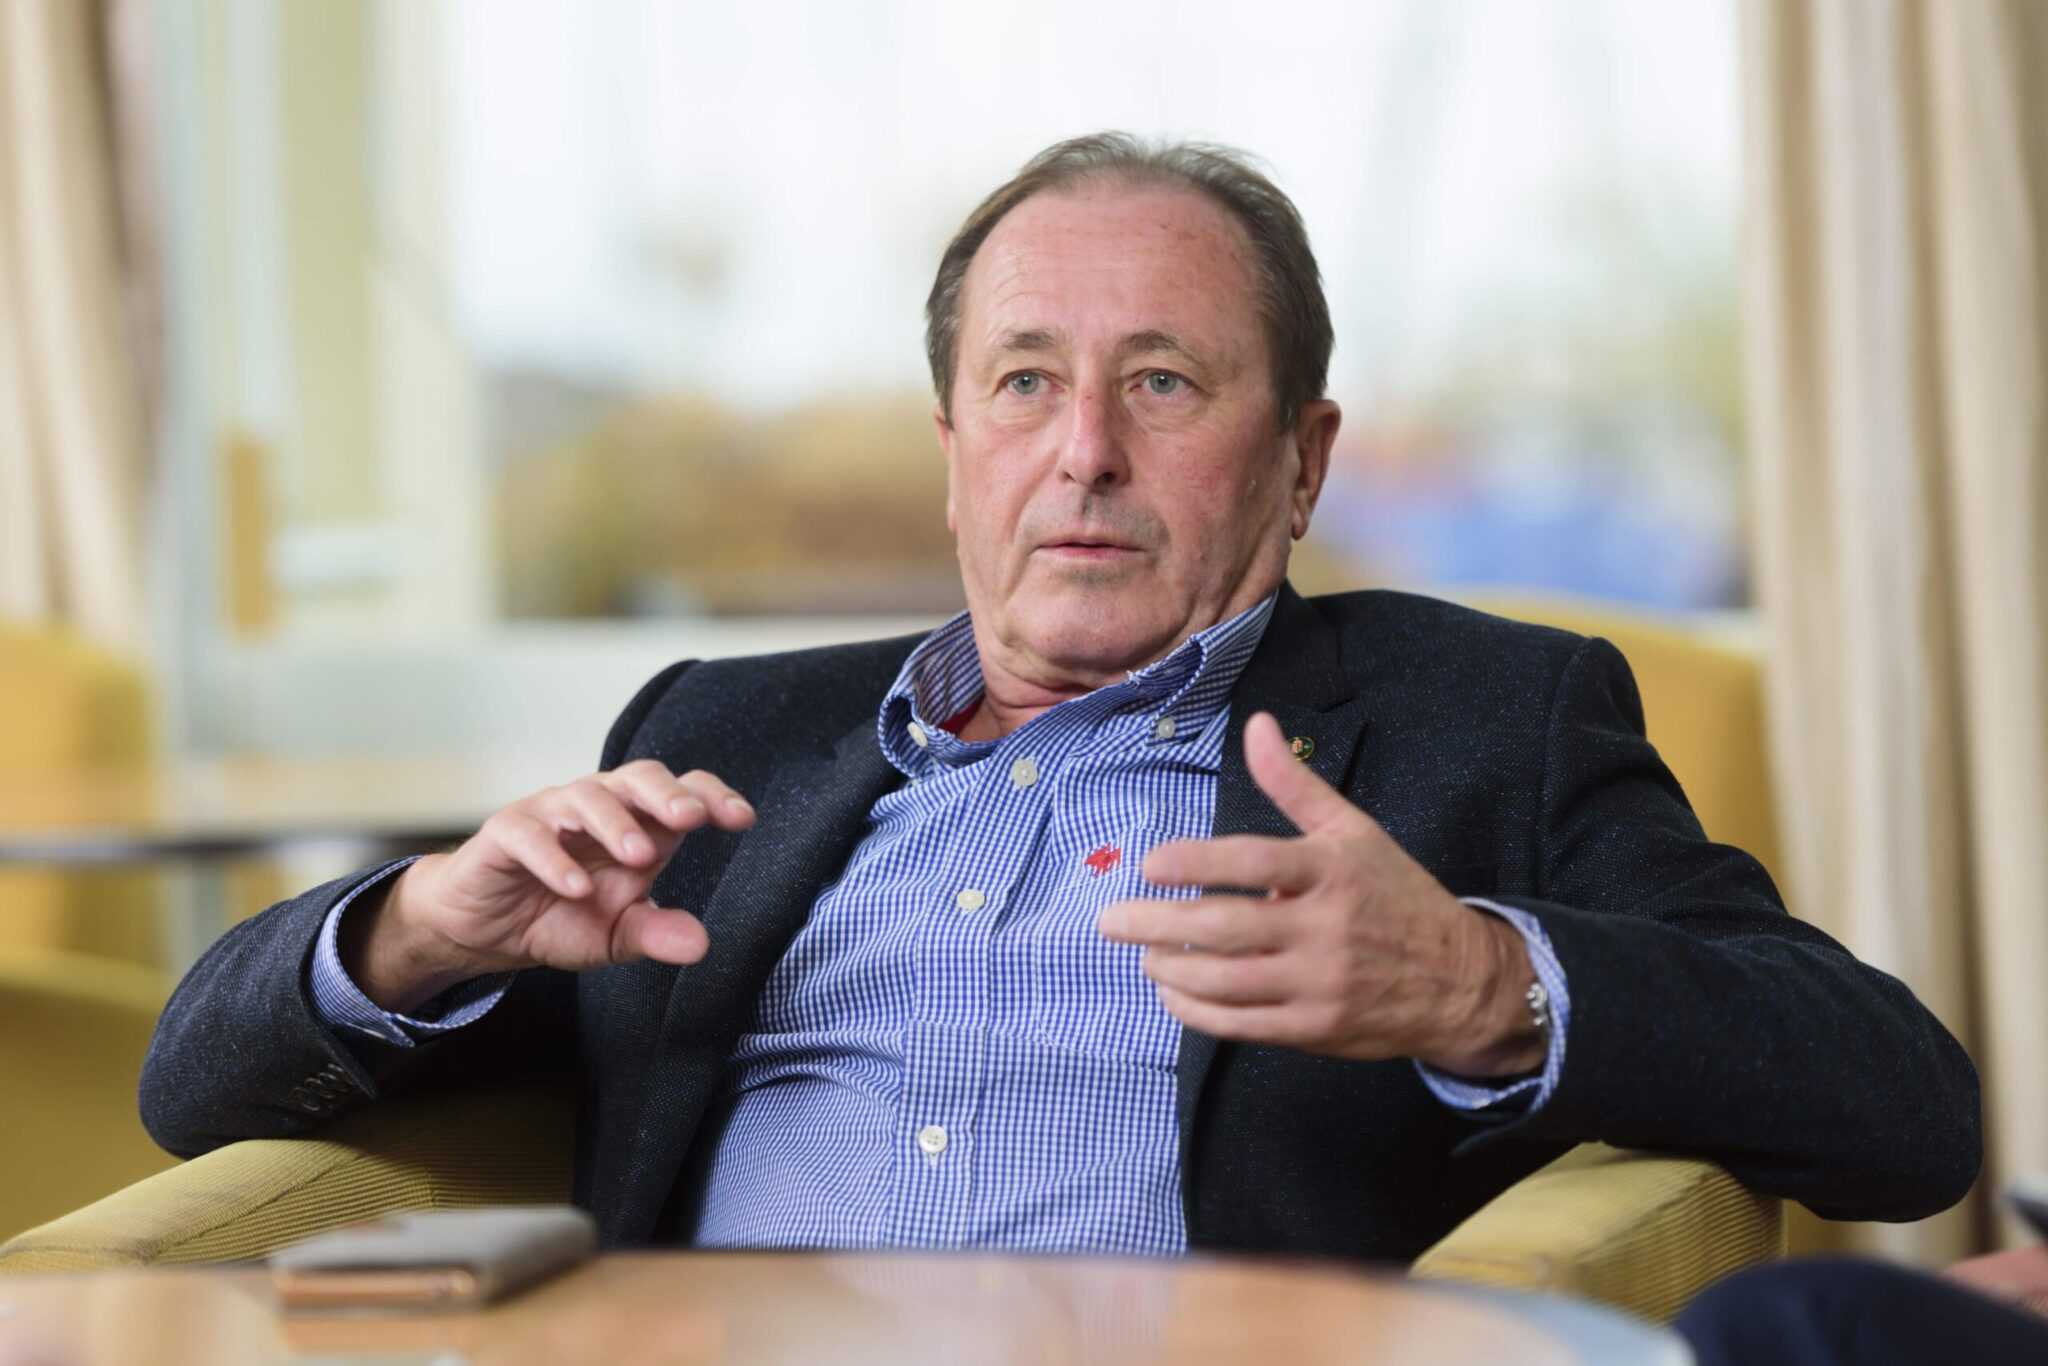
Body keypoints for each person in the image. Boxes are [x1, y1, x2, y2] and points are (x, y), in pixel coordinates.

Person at [139, 133, 1980, 1260]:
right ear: (955, 448)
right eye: (1025, 381)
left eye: (1163, 382)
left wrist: (1474, 985)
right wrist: (418, 930)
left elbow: (1903, 1109)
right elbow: (187, 1087)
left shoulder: (1487, 717)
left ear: (1303, 458)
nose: (1084, 451)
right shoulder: (720, 739)